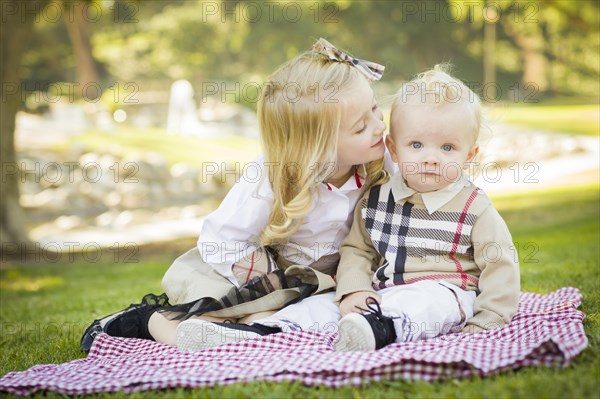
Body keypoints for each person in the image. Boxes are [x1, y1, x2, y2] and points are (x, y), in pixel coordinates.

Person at [80, 38, 392, 352]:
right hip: (246, 268)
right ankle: (147, 321)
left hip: (318, 279)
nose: (379, 126)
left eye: (376, 109)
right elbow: (222, 238)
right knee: (229, 313)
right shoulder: (272, 177)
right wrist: (263, 284)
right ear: (315, 146)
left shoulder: (381, 161)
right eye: (360, 126)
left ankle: (237, 334)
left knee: (274, 324)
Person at [332, 65, 521, 351]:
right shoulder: (376, 199)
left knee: (429, 302)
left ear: (468, 156)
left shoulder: (474, 207)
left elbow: (499, 263)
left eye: (447, 148)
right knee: (326, 304)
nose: (431, 158)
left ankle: (380, 329)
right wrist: (355, 290)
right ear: (393, 150)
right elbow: (358, 250)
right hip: (386, 292)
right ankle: (270, 328)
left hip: (450, 293)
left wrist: (490, 316)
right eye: (416, 145)